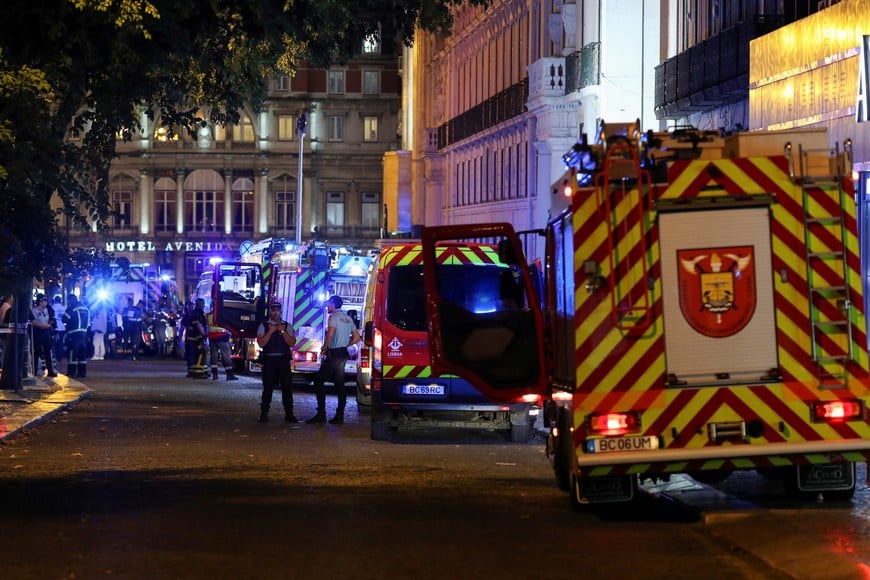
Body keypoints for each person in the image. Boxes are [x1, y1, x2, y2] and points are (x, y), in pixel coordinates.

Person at [306, 295, 361, 425]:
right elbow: (357, 337)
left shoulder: (333, 317)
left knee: (318, 381)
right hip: (343, 353)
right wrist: (346, 344)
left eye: (329, 304)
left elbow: (330, 333)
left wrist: (325, 347)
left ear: (334, 304)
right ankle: (339, 416)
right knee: (339, 384)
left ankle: (321, 415)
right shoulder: (348, 318)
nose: (327, 306)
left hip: (334, 354)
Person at [255, 301, 297, 423]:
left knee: (287, 389)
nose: (275, 312)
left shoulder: (287, 326)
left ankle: (289, 414)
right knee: (268, 388)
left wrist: (283, 332)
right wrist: (271, 331)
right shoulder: (263, 325)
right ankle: (264, 414)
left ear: (280, 312)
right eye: (273, 310)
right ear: (270, 312)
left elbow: (292, 343)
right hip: (269, 361)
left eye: (277, 310)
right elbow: (261, 343)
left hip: (283, 361)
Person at [62, 294, 90, 378]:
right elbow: (89, 323)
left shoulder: (72, 308)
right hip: (84, 334)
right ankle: (82, 373)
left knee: (72, 354)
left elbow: (64, 319)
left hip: (73, 334)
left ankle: (72, 372)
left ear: (71, 300)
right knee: (82, 355)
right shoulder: (86, 309)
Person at [29, 295, 57, 377]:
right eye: (44, 301)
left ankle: (50, 370)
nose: (46, 303)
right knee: (36, 352)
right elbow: (33, 322)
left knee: (48, 351)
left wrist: (49, 324)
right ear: (40, 302)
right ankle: (34, 370)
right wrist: (44, 325)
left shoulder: (47, 310)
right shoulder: (34, 310)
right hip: (37, 332)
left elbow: (50, 319)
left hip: (46, 332)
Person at [206, 309, 238, 381]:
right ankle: (229, 374)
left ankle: (215, 375)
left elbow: (207, 325)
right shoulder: (222, 314)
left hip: (212, 337)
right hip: (222, 336)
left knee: (214, 356)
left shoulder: (208, 315)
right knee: (226, 355)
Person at [182, 298, 208, 378]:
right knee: (200, 355)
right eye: (203, 304)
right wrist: (204, 335)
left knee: (193, 356)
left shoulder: (194, 313)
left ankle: (193, 372)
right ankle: (198, 373)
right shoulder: (198, 314)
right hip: (196, 338)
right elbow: (199, 326)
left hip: (192, 338)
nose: (204, 306)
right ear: (200, 305)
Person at [51, 295, 66, 361]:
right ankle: (60, 357)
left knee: (54, 343)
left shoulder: (52, 307)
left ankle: (54, 357)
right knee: (60, 343)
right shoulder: (64, 308)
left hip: (55, 327)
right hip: (62, 327)